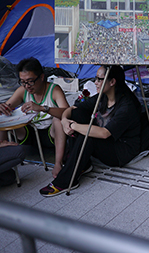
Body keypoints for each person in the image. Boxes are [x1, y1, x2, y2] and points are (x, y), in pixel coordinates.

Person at [39, 65, 142, 197]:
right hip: (105, 140)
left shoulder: (127, 106)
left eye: (99, 79)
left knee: (87, 136)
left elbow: (104, 133)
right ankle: (83, 164)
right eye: (96, 78)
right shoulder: (103, 96)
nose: (95, 83)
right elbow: (74, 108)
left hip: (120, 150)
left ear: (112, 82)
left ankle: (66, 181)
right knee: (77, 114)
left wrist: (73, 126)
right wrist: (65, 120)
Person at [0, 57, 69, 178]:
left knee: (58, 120)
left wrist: (43, 108)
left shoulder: (54, 90)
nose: (27, 86)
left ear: (41, 77)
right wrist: (2, 108)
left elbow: (67, 112)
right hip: (29, 134)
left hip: (50, 134)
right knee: (4, 113)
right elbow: (8, 106)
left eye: (30, 81)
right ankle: (2, 144)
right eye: (23, 82)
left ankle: (58, 163)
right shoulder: (22, 90)